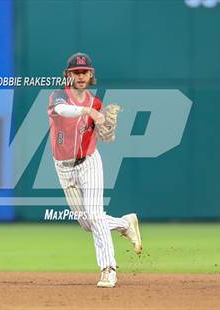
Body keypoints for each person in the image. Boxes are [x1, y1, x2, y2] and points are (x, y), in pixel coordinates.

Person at [47, 52, 142, 288]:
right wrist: (88, 113)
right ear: (68, 76)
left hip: (89, 163)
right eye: (75, 72)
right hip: (64, 167)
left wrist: (107, 128)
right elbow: (63, 111)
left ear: (91, 75)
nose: (80, 76)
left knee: (96, 217)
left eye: (84, 72)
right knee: (87, 223)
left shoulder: (96, 103)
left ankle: (108, 269)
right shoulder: (58, 95)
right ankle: (124, 223)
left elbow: (102, 135)